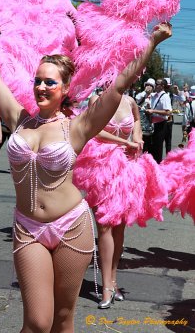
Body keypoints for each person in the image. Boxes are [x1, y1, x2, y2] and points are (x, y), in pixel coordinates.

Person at [0, 22, 171, 332]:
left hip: (70, 228)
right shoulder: (18, 118)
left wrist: (152, 42)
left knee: (63, 320)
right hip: (28, 228)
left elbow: (118, 85)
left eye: (49, 82)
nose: (40, 87)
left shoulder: (76, 127)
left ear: (65, 88)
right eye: (37, 81)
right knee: (37, 322)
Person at [76, 93, 145, 309]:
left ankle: (113, 280)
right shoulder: (97, 99)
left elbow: (136, 120)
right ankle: (106, 285)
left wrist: (138, 137)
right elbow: (94, 130)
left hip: (126, 169)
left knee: (119, 229)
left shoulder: (130, 101)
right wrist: (125, 141)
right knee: (104, 226)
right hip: (102, 168)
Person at [145, 79, 172, 163]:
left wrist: (153, 111)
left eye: (157, 84)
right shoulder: (154, 95)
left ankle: (157, 166)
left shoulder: (165, 96)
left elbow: (168, 112)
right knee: (149, 148)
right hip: (152, 124)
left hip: (160, 125)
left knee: (157, 149)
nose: (155, 85)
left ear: (162, 86)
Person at [136, 78, 155, 152]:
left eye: (150, 85)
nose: (148, 87)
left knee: (148, 142)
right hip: (140, 121)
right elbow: (137, 100)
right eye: (147, 85)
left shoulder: (154, 96)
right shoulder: (141, 94)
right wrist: (145, 93)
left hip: (150, 122)